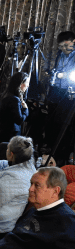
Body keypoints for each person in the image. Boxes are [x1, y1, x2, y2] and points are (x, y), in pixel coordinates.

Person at [44, 31, 75, 159]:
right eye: (61, 46)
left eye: (66, 45)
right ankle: (51, 149)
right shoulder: (59, 54)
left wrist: (65, 75)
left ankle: (63, 153)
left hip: (70, 93)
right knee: (53, 121)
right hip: (57, 91)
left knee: (66, 124)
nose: (63, 48)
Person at [0, 72, 29, 149]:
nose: (28, 85)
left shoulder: (6, 94)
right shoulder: (14, 99)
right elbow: (19, 120)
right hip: (8, 134)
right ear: (21, 84)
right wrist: (25, 109)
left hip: (0, 131)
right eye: (27, 82)